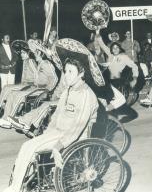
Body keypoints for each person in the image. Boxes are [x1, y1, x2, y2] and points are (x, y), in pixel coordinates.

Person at [3, 58, 99, 192]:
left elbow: (77, 127)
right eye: (65, 71)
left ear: (81, 73)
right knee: (27, 147)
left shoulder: (85, 95)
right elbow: (56, 117)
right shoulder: (68, 91)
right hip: (58, 133)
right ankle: (17, 185)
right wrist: (46, 133)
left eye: (71, 71)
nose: (66, 75)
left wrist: (58, 146)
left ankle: (16, 187)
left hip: (72, 137)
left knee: (29, 148)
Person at [0, 49, 58, 128]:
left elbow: (55, 78)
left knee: (19, 95)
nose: (34, 55)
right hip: (35, 87)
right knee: (12, 93)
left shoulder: (46, 64)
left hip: (42, 89)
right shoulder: (40, 63)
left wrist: (47, 90)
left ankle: (9, 119)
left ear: (41, 54)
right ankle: (5, 118)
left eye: (36, 53)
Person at [0, 43, 37, 108]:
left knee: (8, 88)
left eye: (23, 53)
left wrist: (35, 84)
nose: (21, 54)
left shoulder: (31, 61)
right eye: (21, 53)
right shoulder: (25, 61)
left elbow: (36, 73)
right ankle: (2, 104)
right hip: (24, 84)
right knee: (6, 87)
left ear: (28, 54)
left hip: (29, 85)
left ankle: (2, 105)